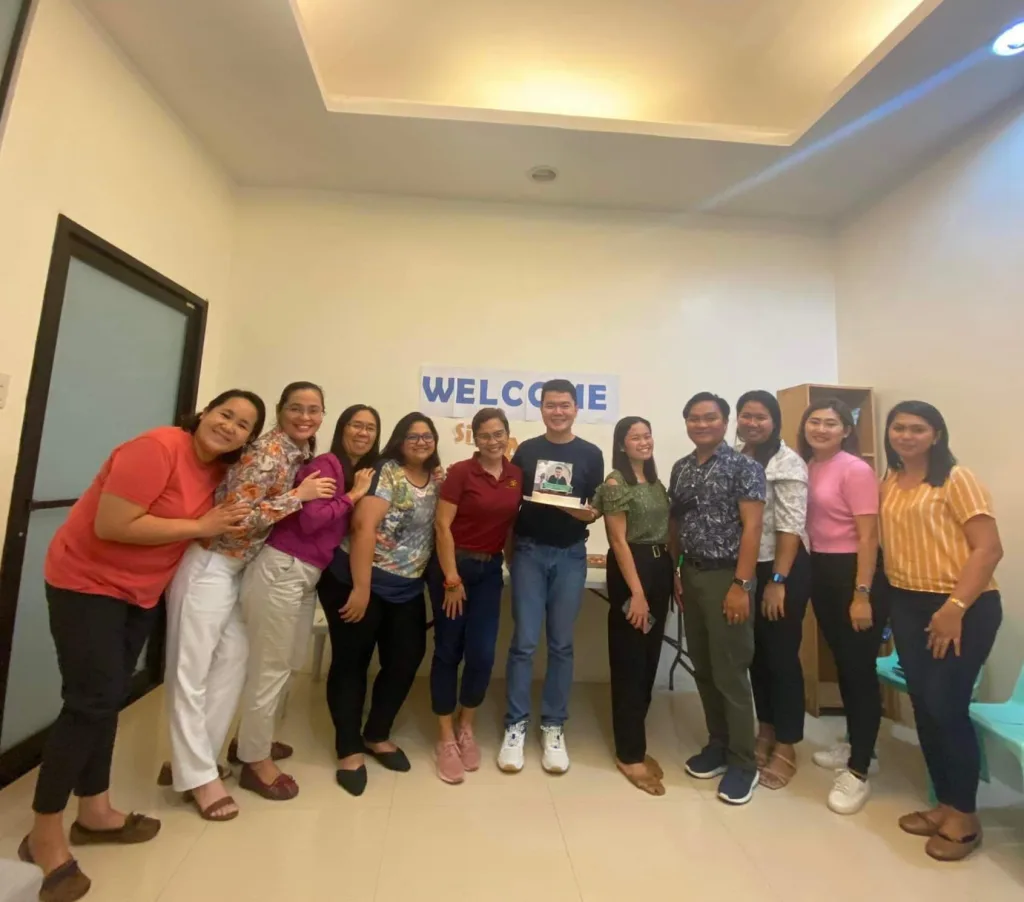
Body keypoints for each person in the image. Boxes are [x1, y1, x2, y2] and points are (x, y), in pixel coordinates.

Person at [19, 390, 264, 902]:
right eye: (225, 414)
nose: (230, 426)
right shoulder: (157, 448)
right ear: (204, 412)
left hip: (140, 592)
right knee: (88, 703)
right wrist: (202, 525)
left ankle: (95, 811)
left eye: (243, 425)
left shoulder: (217, 471)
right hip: (86, 583)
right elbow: (112, 523)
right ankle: (44, 833)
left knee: (108, 699)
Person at [161, 382, 336, 815]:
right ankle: (197, 777)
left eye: (314, 410)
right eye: (296, 408)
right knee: (190, 674)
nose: (305, 417)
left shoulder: (299, 453)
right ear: (280, 410)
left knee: (232, 668)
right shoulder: (267, 453)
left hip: (240, 571)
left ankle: (200, 760)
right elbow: (234, 521)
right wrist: (297, 498)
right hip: (210, 565)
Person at [233, 404, 377, 798]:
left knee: (287, 663)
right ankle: (254, 761)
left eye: (370, 428)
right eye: (356, 425)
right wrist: (354, 496)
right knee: (271, 667)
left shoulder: (351, 470)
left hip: (303, 574)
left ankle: (252, 741)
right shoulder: (329, 465)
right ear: (342, 428)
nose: (363, 433)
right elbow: (313, 519)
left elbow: (330, 522)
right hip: (283, 567)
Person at [882, 401, 1002, 861]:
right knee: (924, 705)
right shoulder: (891, 481)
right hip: (907, 603)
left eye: (918, 428)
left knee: (947, 706)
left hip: (963, 605)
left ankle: (966, 818)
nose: (906, 435)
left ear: (936, 434)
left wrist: (954, 608)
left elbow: (988, 549)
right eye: (898, 427)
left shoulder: (957, 479)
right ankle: (946, 804)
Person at [318, 413, 441, 796]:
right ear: (399, 440)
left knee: (405, 660)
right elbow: (362, 528)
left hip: (406, 589)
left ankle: (376, 734)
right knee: (351, 663)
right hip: (359, 581)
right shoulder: (385, 471)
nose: (420, 441)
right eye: (412, 436)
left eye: (427, 435)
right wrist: (361, 589)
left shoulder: (437, 480)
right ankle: (348, 748)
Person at [498, 379, 604, 775]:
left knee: (561, 644)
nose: (557, 411)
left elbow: (595, 509)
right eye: (550, 405)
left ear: (576, 408)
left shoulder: (591, 454)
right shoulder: (527, 450)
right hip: (529, 552)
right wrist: (510, 552)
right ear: (541, 409)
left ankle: (553, 726)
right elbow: (510, 503)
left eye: (564, 405)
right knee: (524, 643)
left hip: (571, 555)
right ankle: (515, 725)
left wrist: (576, 510)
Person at [669, 392, 765, 805]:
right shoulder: (682, 468)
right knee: (704, 667)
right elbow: (676, 522)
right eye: (694, 418)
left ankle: (744, 762)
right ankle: (719, 745)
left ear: (725, 422)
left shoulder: (745, 467)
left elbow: (753, 527)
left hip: (728, 577)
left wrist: (741, 585)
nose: (702, 424)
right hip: (691, 575)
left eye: (710, 417)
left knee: (730, 671)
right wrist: (676, 571)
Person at [799, 398, 884, 815]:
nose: (820, 429)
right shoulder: (810, 466)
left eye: (830, 423)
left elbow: (869, 537)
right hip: (822, 569)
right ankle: (856, 745)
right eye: (814, 421)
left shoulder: (855, 469)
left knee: (858, 670)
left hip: (854, 572)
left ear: (846, 430)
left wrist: (862, 593)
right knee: (844, 664)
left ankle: (859, 771)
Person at [432, 408, 523, 784]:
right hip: (454, 569)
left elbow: (510, 528)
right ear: (475, 438)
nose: (492, 441)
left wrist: (515, 567)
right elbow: (442, 525)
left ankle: (465, 725)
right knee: (448, 650)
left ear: (507, 435)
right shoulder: (460, 473)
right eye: (485, 435)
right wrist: (452, 579)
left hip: (489, 573)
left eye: (498, 434)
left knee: (483, 654)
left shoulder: (516, 476)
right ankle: (445, 737)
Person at [592, 416, 671, 795]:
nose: (643, 441)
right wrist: (636, 593)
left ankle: (636, 741)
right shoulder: (615, 483)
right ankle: (629, 754)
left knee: (650, 658)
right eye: (635, 437)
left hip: (660, 567)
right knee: (630, 661)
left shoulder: (654, 482)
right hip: (632, 570)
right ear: (622, 444)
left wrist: (673, 575)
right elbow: (618, 541)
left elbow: (669, 530)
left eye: (647, 435)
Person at [736, 391, 810, 791]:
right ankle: (765, 730)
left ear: (775, 421)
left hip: (783, 568)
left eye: (760, 417)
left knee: (782, 658)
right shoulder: (737, 456)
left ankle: (787, 745)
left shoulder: (788, 463)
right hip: (748, 567)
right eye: (746, 415)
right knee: (756, 656)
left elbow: (790, 526)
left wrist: (778, 582)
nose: (752, 423)